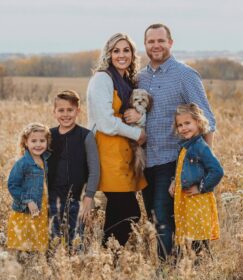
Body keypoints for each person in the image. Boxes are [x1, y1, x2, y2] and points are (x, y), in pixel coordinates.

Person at [124, 23, 216, 259]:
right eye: (151, 41)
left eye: (160, 40)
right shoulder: (139, 78)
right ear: (145, 45)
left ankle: (172, 271)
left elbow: (207, 119)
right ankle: (177, 268)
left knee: (166, 220)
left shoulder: (185, 74)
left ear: (170, 43)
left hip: (174, 160)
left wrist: (204, 163)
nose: (156, 45)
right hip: (147, 162)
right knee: (157, 219)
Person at [86, 33, 147, 246]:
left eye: (126, 50)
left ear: (132, 54)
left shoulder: (126, 81)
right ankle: (110, 256)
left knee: (117, 210)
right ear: (108, 54)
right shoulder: (102, 78)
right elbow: (106, 123)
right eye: (116, 50)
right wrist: (137, 134)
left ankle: (109, 261)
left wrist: (140, 118)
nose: (122, 55)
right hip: (107, 152)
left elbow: (131, 113)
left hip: (123, 154)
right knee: (129, 211)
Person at [168, 103, 223, 256]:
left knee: (199, 241)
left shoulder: (200, 146)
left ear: (198, 122)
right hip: (187, 201)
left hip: (198, 201)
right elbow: (182, 169)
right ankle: (193, 269)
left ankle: (205, 271)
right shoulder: (185, 146)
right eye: (180, 125)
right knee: (190, 239)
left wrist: (201, 187)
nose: (183, 128)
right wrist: (174, 181)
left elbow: (217, 171)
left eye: (187, 123)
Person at [48, 90, 100, 248]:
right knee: (53, 243)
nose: (65, 114)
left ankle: (77, 268)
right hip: (52, 199)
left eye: (70, 110)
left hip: (77, 200)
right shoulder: (49, 135)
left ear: (78, 111)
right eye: (61, 110)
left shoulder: (86, 136)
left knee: (76, 242)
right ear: (54, 112)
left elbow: (95, 170)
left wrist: (89, 196)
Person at [7, 123, 51, 253]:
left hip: (42, 207)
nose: (38, 144)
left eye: (42, 141)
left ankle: (35, 263)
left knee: (37, 242)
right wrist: (28, 200)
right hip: (26, 209)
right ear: (26, 142)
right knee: (23, 241)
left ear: (47, 142)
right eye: (34, 141)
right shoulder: (22, 163)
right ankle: (18, 265)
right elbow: (13, 185)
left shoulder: (46, 160)